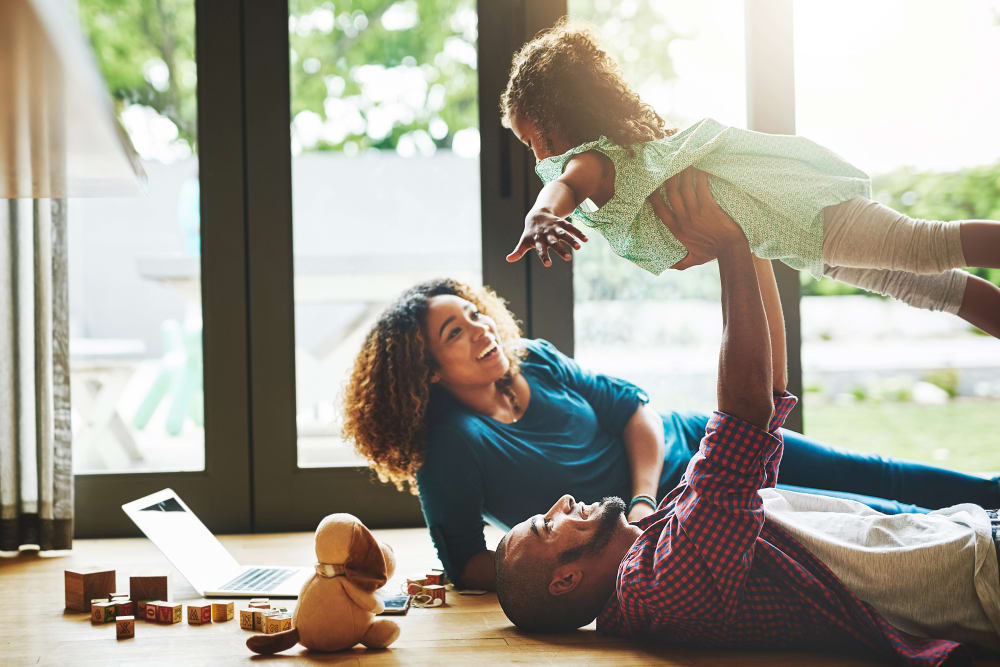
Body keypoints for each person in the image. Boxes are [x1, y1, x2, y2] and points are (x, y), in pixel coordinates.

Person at [341, 173, 1000, 594]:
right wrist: (592, 574)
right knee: (867, 524)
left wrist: (640, 500)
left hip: (697, 450)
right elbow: (468, 563)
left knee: (880, 476)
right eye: (455, 333)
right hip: (682, 530)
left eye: (475, 313)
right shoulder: (451, 443)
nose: (482, 328)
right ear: (425, 370)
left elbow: (636, 411)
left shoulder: (533, 359)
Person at [493, 173, 1000, 664]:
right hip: (979, 573)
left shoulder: (658, 543)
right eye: (544, 526)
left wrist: (748, 243)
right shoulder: (659, 584)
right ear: (565, 582)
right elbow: (744, 416)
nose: (558, 504)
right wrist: (730, 249)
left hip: (967, 538)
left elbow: (768, 395)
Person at [500, 21, 1000, 339]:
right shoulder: (631, 158)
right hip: (796, 236)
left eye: (531, 141)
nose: (537, 157)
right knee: (934, 288)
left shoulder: (594, 162)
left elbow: (563, 186)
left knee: (924, 246)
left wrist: (542, 214)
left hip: (801, 211)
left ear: (553, 121)